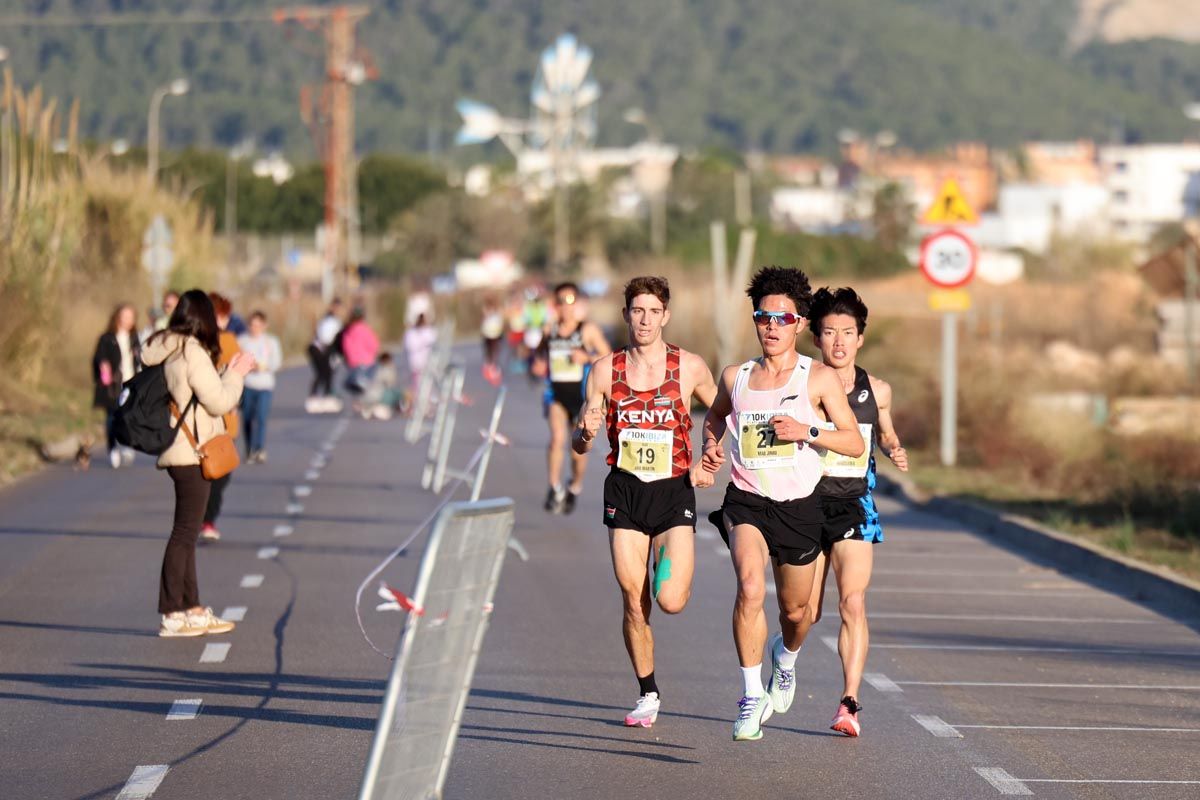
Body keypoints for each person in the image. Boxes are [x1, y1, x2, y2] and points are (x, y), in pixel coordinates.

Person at [699, 266, 864, 742]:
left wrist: (808, 431)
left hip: (799, 507)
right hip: (747, 501)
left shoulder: (820, 379)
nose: (772, 326)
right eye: (763, 317)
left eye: (782, 318)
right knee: (750, 588)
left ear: (798, 323)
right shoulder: (737, 376)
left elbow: (853, 443)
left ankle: (785, 659)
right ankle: (751, 696)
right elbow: (714, 419)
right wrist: (710, 447)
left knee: (798, 615)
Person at [574, 276, 718, 728]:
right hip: (625, 491)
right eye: (637, 311)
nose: (645, 319)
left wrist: (709, 458)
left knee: (670, 600)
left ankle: (666, 563)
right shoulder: (603, 370)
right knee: (634, 601)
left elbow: (724, 414)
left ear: (665, 316)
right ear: (626, 315)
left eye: (654, 311)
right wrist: (585, 433)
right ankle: (647, 691)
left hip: (674, 490)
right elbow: (582, 442)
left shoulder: (688, 367)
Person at [800, 287, 908, 738]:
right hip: (804, 502)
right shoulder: (802, 385)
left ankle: (849, 703)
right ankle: (783, 656)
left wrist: (894, 447)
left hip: (854, 502)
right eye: (829, 333)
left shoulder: (876, 390)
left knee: (853, 601)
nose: (839, 342)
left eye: (848, 333)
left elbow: (884, 432)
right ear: (816, 338)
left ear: (861, 338)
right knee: (802, 614)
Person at [140, 289, 255, 637]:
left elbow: (193, 396)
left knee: (186, 534)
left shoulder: (171, 348)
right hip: (193, 452)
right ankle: (172, 612)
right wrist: (236, 374)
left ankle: (192, 608)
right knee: (184, 533)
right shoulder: (192, 352)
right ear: (204, 318)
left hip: (180, 449)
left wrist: (223, 371)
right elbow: (219, 402)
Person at [532, 282, 610, 514]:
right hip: (556, 393)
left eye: (570, 302)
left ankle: (574, 486)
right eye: (560, 302)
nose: (565, 308)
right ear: (555, 306)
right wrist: (538, 363)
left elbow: (608, 355)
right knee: (557, 439)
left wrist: (586, 356)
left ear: (576, 304)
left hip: (582, 396)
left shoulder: (587, 330)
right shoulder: (550, 330)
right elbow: (538, 355)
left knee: (578, 450)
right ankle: (554, 486)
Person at [199, 293, 242, 542]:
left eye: (226, 315)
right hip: (203, 417)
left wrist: (237, 397)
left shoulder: (228, 341)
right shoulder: (195, 342)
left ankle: (207, 517)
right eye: (219, 315)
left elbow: (238, 374)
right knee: (208, 472)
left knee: (221, 472)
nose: (224, 320)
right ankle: (205, 519)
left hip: (225, 415)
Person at [92, 303, 141, 469]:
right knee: (112, 417)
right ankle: (112, 448)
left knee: (129, 415)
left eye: (130, 317)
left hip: (131, 382)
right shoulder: (107, 338)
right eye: (124, 316)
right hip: (112, 386)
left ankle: (127, 444)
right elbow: (98, 359)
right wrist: (103, 367)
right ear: (117, 317)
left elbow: (140, 359)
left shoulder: (135, 338)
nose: (127, 320)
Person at [238, 310, 283, 464]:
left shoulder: (271, 342)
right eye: (252, 325)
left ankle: (260, 448)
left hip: (265, 385)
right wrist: (248, 367)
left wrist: (263, 367)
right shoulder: (242, 341)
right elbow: (236, 361)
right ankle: (249, 448)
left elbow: (276, 362)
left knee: (262, 417)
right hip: (247, 385)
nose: (255, 328)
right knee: (248, 418)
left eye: (258, 325)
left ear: (264, 326)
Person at [307, 298, 343, 411]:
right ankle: (315, 397)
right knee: (323, 372)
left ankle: (326, 395)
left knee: (328, 372)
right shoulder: (329, 320)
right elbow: (325, 337)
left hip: (327, 349)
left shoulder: (334, 320)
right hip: (319, 349)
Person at [341, 307, 380, 396]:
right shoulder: (365, 329)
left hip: (352, 363)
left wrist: (349, 359)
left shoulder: (348, 330)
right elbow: (374, 345)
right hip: (366, 362)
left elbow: (345, 347)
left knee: (355, 386)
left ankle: (357, 398)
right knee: (368, 383)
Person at [403, 313, 438, 392]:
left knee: (426, 383)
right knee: (418, 383)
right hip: (417, 362)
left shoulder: (427, 331)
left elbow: (433, 340)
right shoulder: (411, 333)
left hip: (425, 362)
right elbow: (410, 346)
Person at [480, 296, 505, 387]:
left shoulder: (497, 311)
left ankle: (494, 366)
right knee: (489, 351)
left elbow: (500, 320)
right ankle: (490, 366)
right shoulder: (486, 310)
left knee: (495, 351)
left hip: (495, 333)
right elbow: (484, 321)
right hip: (488, 333)